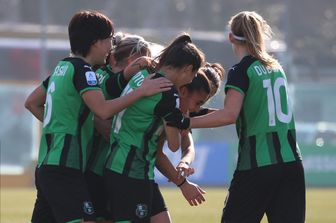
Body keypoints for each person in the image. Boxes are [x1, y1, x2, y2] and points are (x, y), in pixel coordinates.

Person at [25, 10, 172, 223]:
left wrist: (67, 125)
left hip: (47, 163)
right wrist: (140, 91)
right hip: (66, 166)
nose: (111, 47)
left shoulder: (62, 66)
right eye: (109, 40)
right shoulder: (84, 71)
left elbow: (31, 102)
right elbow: (102, 110)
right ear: (95, 42)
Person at [189, 11, 305, 223]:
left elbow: (229, 115)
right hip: (291, 163)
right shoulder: (276, 67)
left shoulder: (241, 70)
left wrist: (185, 122)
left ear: (231, 37)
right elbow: (246, 112)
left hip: (256, 165)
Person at [104, 33, 205, 222]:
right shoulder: (167, 92)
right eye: (193, 75)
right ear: (188, 69)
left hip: (122, 165)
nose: (191, 81)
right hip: (130, 170)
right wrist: (181, 119)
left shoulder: (145, 74)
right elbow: (174, 144)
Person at [85, 32, 153, 223]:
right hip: (93, 168)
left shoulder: (128, 86)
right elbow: (111, 88)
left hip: (113, 169)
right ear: (115, 59)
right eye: (135, 63)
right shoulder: (101, 76)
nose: (138, 72)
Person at [153, 62, 225, 223]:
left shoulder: (187, 110)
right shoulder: (169, 105)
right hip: (128, 170)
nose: (198, 109)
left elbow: (188, 145)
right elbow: (161, 152)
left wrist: (184, 162)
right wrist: (183, 183)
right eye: (199, 102)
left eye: (204, 102)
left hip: (141, 172)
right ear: (184, 89)